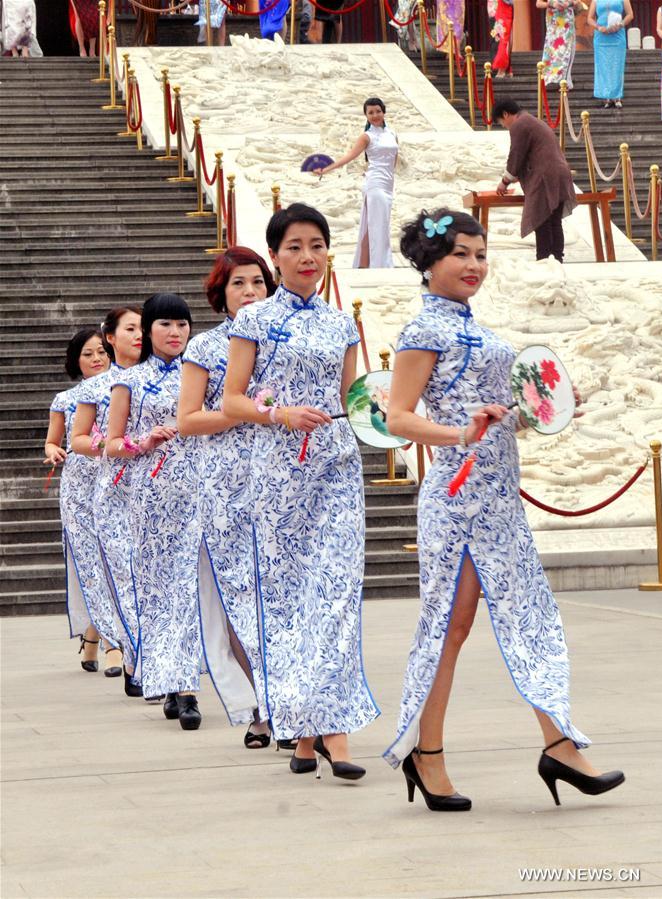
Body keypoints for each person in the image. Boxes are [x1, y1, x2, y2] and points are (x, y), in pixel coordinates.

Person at [382, 207, 625, 811]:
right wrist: (460, 434)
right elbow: (398, 417)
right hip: (458, 497)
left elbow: (493, 410)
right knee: (452, 628)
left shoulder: (475, 327)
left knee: (528, 616)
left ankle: (560, 744)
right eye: (460, 253)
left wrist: (540, 411)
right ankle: (428, 753)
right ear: (430, 261)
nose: (474, 265)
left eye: (481, 253)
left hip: (499, 497)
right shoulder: (423, 331)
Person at [223, 203, 380, 780]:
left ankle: (332, 736)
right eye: (294, 246)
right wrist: (279, 413)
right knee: (290, 604)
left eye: (316, 244)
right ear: (274, 255)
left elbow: (350, 401)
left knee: (336, 597)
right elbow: (233, 401)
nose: (307, 256)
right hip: (278, 473)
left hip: (336, 470)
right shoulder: (255, 320)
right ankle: (306, 733)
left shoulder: (342, 322)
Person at [177, 247, 278, 748]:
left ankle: (293, 705)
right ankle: (257, 706)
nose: (250, 292)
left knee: (280, 597)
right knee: (239, 599)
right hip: (225, 487)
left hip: (284, 483)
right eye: (238, 283)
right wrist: (248, 411)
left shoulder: (286, 340)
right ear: (221, 293)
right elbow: (188, 420)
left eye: (257, 282)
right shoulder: (205, 348)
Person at [106, 294, 213, 730]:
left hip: (199, 492)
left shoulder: (203, 374)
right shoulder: (129, 383)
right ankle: (169, 677)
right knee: (158, 590)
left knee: (190, 587)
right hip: (150, 497)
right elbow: (112, 445)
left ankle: (187, 689)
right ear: (148, 331)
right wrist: (143, 441)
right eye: (166, 324)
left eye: (183, 325)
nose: (176, 333)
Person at [71, 307, 144, 698]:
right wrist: (113, 444)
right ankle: (129, 654)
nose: (139, 334)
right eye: (130, 328)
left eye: (142, 327)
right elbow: (78, 440)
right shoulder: (94, 389)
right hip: (114, 492)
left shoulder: (169, 377)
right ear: (111, 337)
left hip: (162, 492)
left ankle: (159, 662)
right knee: (124, 577)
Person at [44, 328, 124, 676]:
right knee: (91, 564)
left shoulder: (125, 389)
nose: (96, 359)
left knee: (115, 560)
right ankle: (109, 643)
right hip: (79, 487)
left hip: (117, 481)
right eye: (88, 354)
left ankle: (99, 639)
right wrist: (54, 450)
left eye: (101, 353)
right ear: (77, 360)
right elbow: (52, 440)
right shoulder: (65, 399)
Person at [315, 98, 398, 269]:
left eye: (378, 111)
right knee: (378, 225)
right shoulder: (366, 136)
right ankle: (381, 265)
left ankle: (366, 264)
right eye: (371, 113)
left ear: (383, 112)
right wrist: (327, 168)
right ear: (366, 116)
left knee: (378, 224)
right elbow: (350, 156)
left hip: (388, 183)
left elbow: (393, 160)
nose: (375, 115)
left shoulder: (392, 134)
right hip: (374, 184)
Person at [494, 98, 577, 263]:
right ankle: (557, 260)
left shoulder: (520, 124)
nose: (505, 126)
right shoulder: (531, 120)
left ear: (505, 114)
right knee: (554, 221)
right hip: (559, 174)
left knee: (542, 219)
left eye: (502, 122)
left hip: (545, 177)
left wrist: (505, 181)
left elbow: (516, 155)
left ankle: (544, 260)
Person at [587, 0, 634, 109]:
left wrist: (620, 25)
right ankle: (606, 96)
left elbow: (630, 15)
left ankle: (617, 97)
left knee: (617, 65)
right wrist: (598, 27)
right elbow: (589, 18)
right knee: (603, 65)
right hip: (601, 35)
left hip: (617, 34)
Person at [537, 1, 585, 90]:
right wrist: (551, 4)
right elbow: (538, 3)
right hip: (554, 23)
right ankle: (551, 78)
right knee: (552, 50)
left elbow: (577, 2)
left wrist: (569, 3)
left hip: (567, 21)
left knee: (567, 50)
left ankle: (565, 80)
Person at [491, 0, 514, 77]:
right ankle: (505, 68)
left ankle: (502, 68)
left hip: (504, 10)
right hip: (500, 10)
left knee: (504, 39)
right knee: (500, 38)